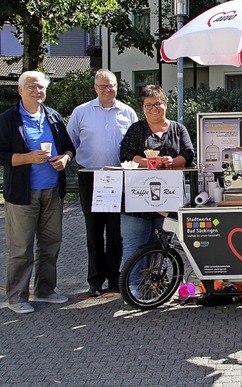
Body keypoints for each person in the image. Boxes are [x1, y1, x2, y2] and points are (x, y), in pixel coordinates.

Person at [0, 71, 76, 314]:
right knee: (21, 247)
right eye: (31, 87)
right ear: (20, 90)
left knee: (51, 243)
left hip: (52, 190)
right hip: (23, 194)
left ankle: (44, 290)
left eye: (41, 87)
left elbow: (69, 147)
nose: (37, 91)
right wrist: (27, 158)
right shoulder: (8, 119)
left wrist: (65, 158)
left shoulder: (52, 116)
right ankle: (16, 297)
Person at [67, 69, 138, 297]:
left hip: (119, 177)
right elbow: (71, 142)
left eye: (111, 85)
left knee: (117, 233)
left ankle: (115, 279)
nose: (108, 90)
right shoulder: (81, 112)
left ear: (117, 86)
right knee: (94, 232)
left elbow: (136, 143)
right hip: (90, 176)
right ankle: (95, 281)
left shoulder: (127, 112)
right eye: (102, 86)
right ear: (95, 88)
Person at [119, 85, 195, 266]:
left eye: (158, 104)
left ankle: (158, 289)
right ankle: (133, 289)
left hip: (168, 200)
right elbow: (126, 156)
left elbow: (189, 154)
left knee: (163, 247)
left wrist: (172, 162)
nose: (154, 108)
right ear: (142, 107)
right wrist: (151, 163)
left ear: (166, 104)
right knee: (134, 249)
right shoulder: (136, 129)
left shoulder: (178, 129)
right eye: (148, 105)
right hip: (136, 202)